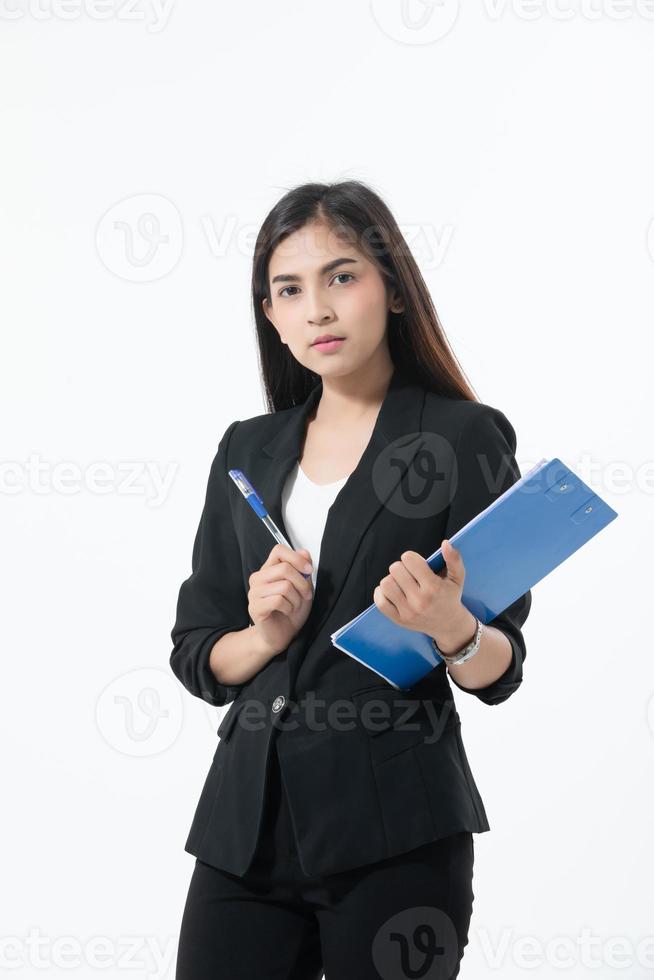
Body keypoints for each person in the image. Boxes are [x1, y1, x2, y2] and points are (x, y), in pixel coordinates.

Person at [170, 179, 531, 980]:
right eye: (289, 290)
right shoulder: (246, 450)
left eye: (342, 277)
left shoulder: (464, 436)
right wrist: (261, 636)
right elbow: (197, 651)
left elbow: (500, 666)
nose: (317, 311)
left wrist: (452, 628)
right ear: (270, 314)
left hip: (396, 833)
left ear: (394, 288)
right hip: (246, 830)